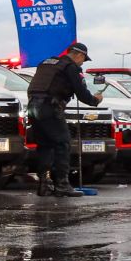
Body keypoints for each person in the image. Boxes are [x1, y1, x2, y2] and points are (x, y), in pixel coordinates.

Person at [26, 41, 102, 197]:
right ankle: (62, 185)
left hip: (33, 107)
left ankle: (44, 184)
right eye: (84, 59)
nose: (82, 63)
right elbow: (82, 93)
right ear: (79, 55)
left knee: (45, 145)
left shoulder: (46, 63)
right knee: (63, 143)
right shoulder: (70, 67)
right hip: (50, 108)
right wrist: (95, 100)